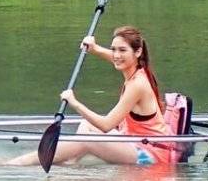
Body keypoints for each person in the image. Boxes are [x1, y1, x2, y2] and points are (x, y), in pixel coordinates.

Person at [22, 26, 179, 166]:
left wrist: (74, 102)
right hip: (137, 141)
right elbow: (117, 59)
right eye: (114, 49)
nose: (116, 55)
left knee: (87, 140)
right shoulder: (136, 69)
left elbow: (106, 125)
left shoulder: (138, 84)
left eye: (122, 50)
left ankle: (22, 163)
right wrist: (95, 48)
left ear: (138, 52)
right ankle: (71, 161)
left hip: (152, 155)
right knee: (85, 126)